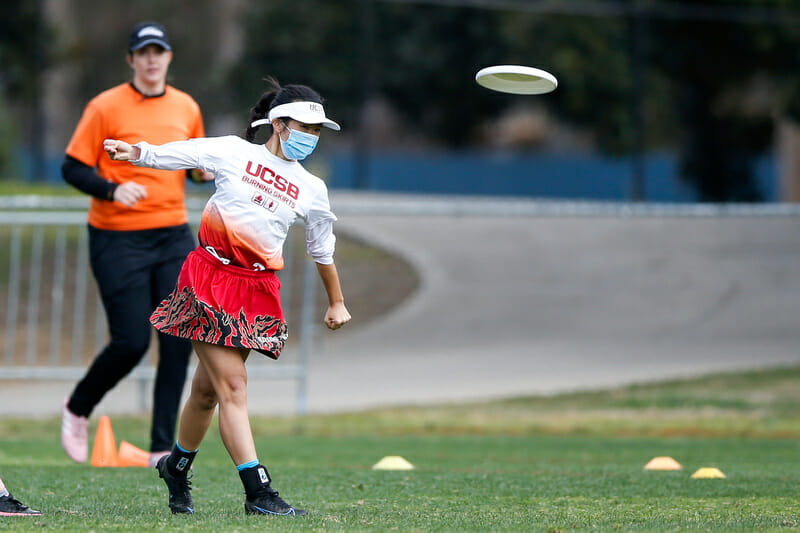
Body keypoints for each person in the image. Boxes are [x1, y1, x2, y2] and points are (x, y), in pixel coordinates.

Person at [103, 79, 351, 517]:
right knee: (234, 385)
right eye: (303, 128)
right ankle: (259, 493)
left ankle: (176, 467)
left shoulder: (313, 188)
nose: (310, 138)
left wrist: (336, 301)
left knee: (207, 393)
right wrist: (136, 152)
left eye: (317, 131)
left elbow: (321, 249)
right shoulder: (235, 153)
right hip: (208, 278)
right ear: (278, 124)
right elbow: (182, 152)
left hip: (257, 290)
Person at [60, 21, 212, 467]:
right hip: (116, 236)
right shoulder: (105, 106)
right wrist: (111, 189)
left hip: (171, 234)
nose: (151, 59)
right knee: (130, 341)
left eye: (158, 51)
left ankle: (162, 448)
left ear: (168, 58)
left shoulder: (186, 106)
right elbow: (72, 168)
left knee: (179, 335)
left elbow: (192, 165)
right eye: (142, 52)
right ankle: (77, 408)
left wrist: (205, 172)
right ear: (130, 59)